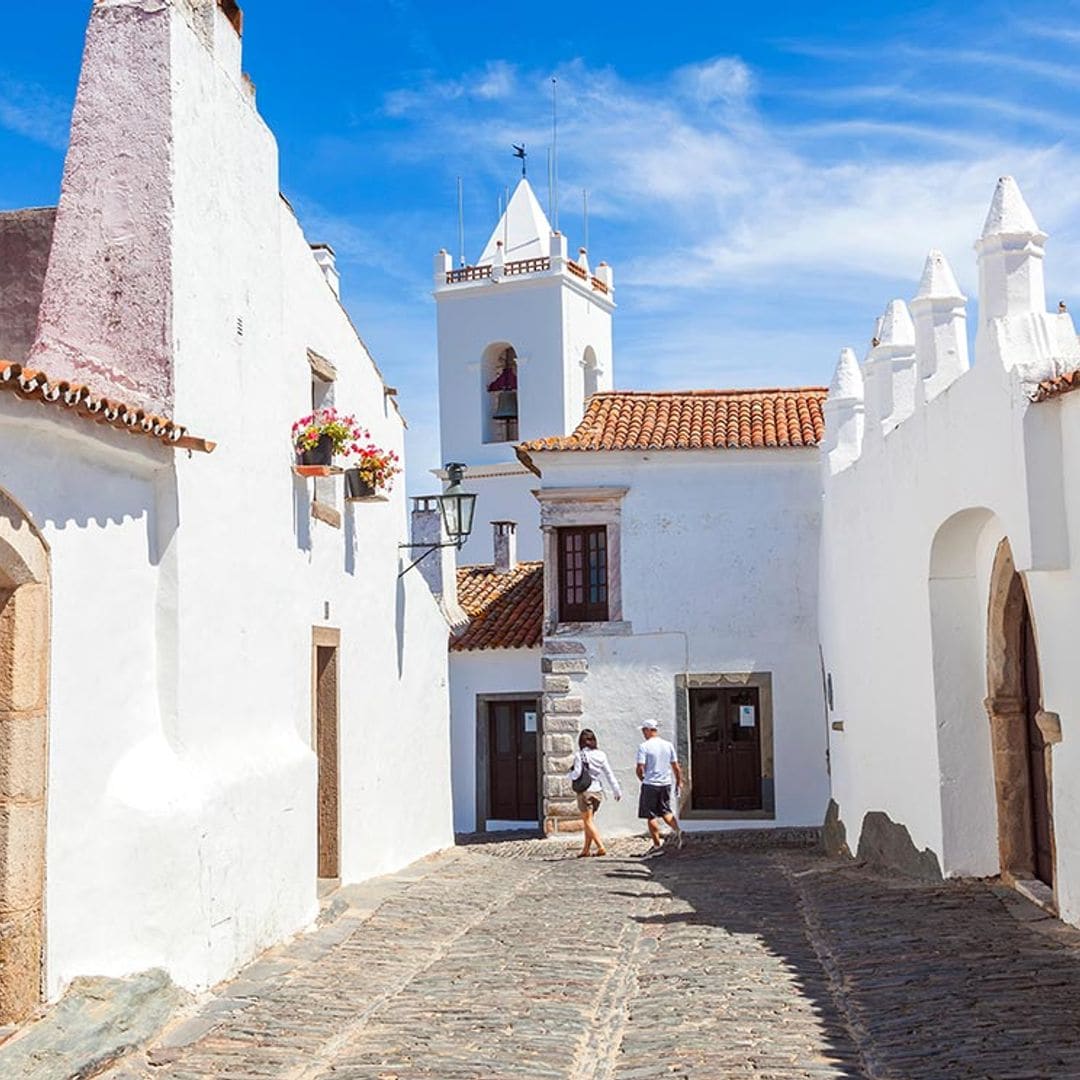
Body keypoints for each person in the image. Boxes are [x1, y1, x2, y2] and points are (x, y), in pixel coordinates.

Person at [567, 728, 621, 857]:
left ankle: (600, 846)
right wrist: (616, 790)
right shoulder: (601, 755)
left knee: (587, 821)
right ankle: (585, 849)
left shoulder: (580, 755)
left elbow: (577, 774)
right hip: (598, 791)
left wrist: (568, 775)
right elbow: (609, 773)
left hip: (585, 791)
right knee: (589, 820)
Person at [636, 720, 684, 857]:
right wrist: (678, 781)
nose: (643, 733)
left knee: (651, 815)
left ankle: (657, 844)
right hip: (665, 783)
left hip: (650, 783)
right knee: (665, 810)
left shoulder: (644, 746)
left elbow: (640, 767)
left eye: (643, 730)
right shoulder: (668, 745)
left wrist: (642, 778)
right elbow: (675, 765)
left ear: (648, 730)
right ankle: (677, 831)